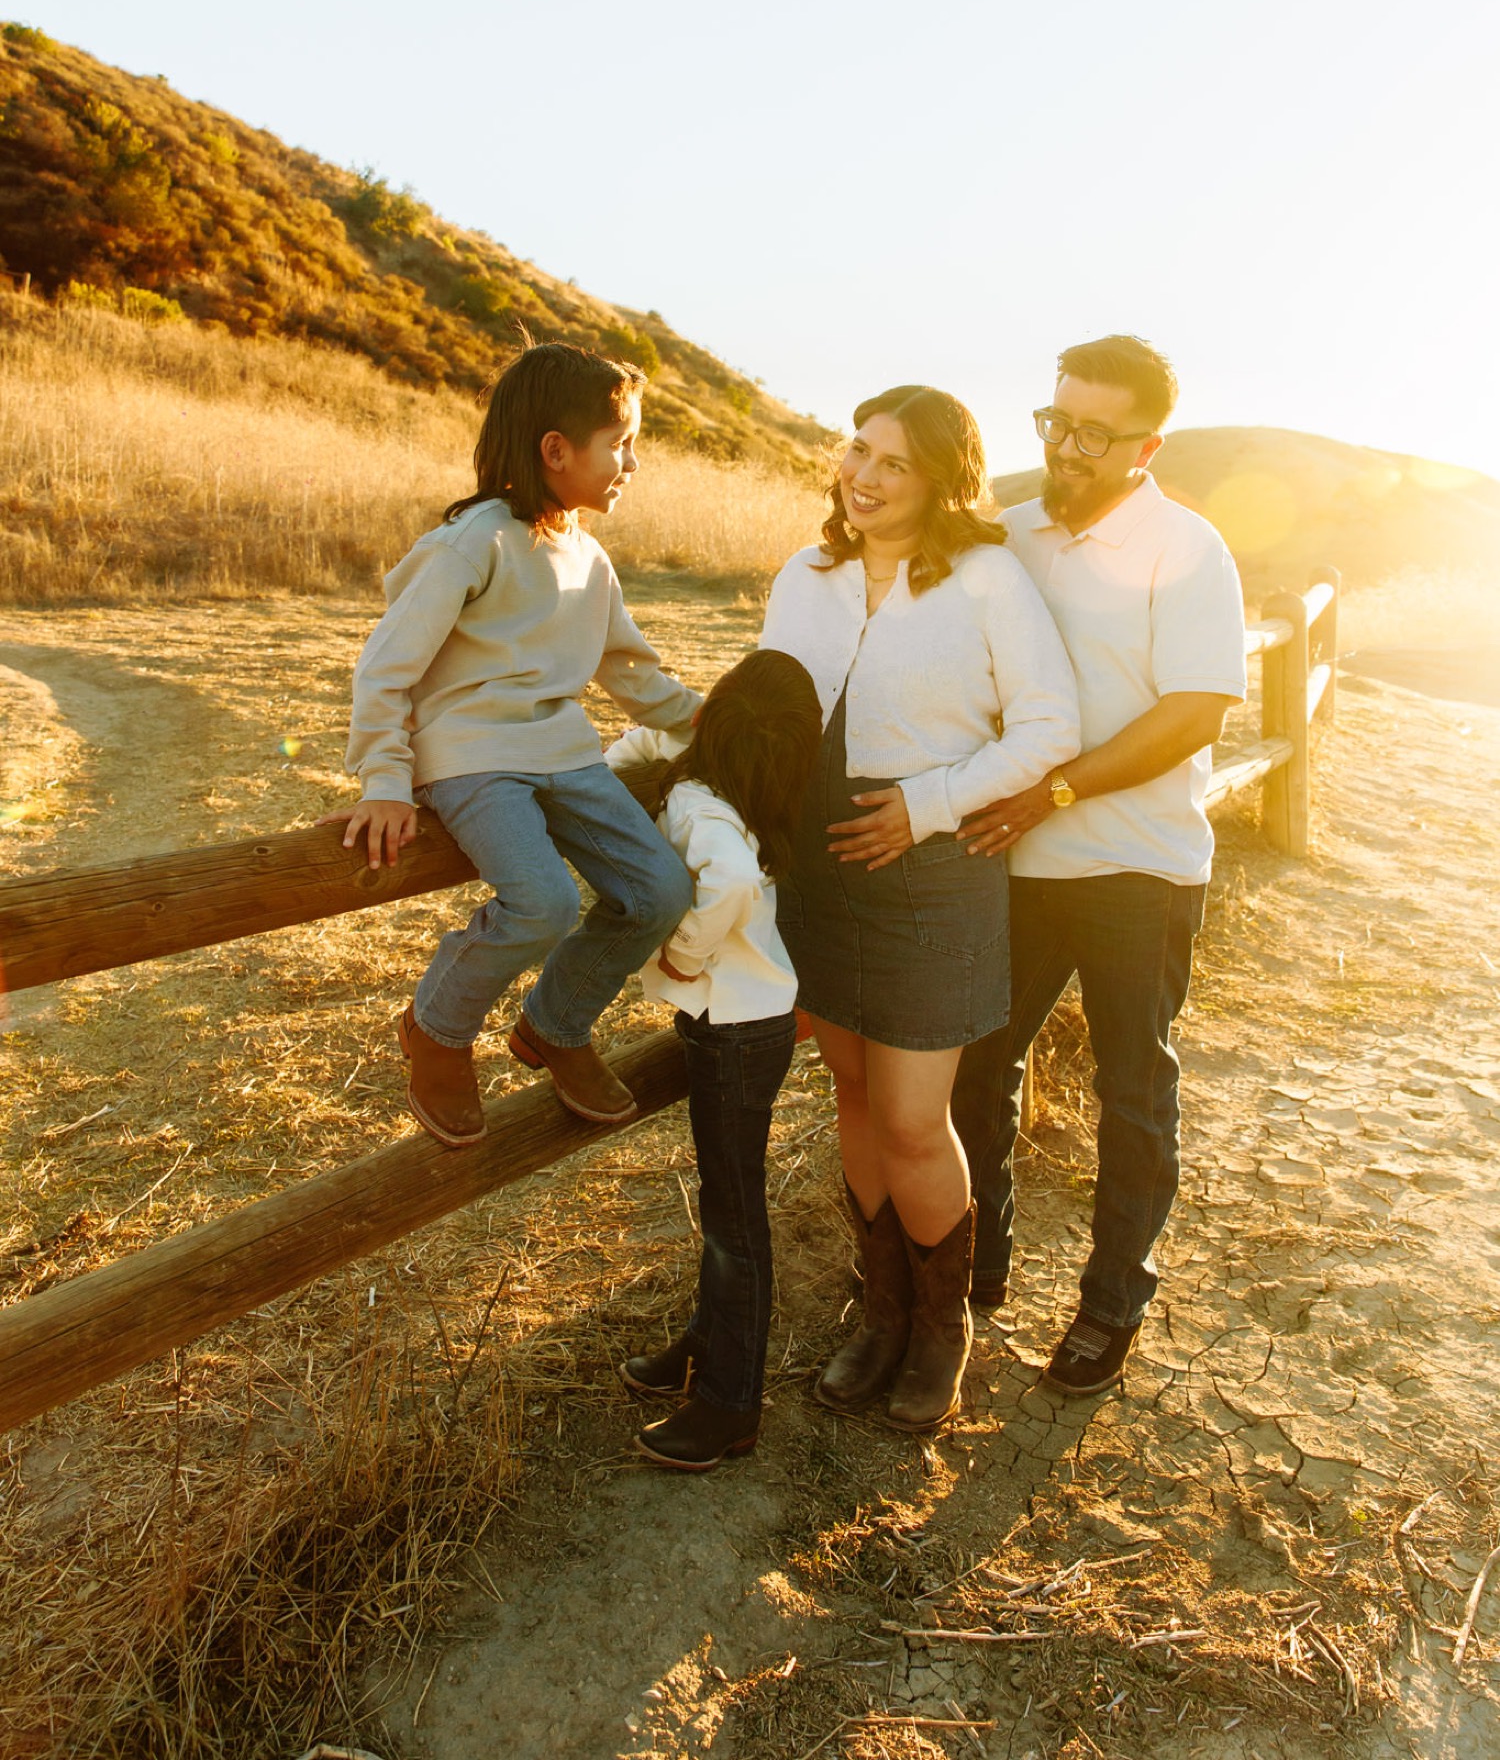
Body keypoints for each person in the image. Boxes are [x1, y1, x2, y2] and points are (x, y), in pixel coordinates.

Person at [761, 386, 1079, 1432]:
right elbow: (771, 710)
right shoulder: (805, 577)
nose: (866, 474)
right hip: (819, 866)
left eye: (895, 460)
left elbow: (1049, 727)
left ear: (945, 477)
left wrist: (925, 806)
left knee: (911, 1112)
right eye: (859, 449)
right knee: (851, 1092)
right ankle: (883, 1307)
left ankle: (944, 1327)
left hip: (932, 865)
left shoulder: (988, 578)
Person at [950, 335, 1246, 1397]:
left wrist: (1058, 787)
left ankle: (1113, 1297)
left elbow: (1195, 710)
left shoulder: (1189, 545)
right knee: (978, 1067)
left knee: (1133, 1087)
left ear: (1146, 443)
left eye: (1093, 432)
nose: (1067, 445)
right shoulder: (1009, 532)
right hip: (1013, 863)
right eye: (1055, 421)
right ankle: (974, 1272)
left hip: (1140, 865)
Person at [332, 339, 698, 1145]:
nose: (631, 462)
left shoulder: (590, 557)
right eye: (622, 443)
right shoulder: (477, 541)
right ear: (557, 449)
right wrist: (386, 780)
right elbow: (385, 667)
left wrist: (709, 722)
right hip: (473, 758)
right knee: (544, 901)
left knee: (661, 890)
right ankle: (436, 1026)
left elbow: (631, 672)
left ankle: (556, 1023)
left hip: (565, 753)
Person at [605, 649, 824, 1472]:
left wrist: (686, 956)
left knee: (735, 1216)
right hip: (747, 1025)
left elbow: (726, 881)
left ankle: (731, 1404)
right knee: (724, 1197)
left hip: (733, 1027)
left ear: (720, 714)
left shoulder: (699, 800)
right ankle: (705, 1342)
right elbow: (636, 750)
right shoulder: (740, 790)